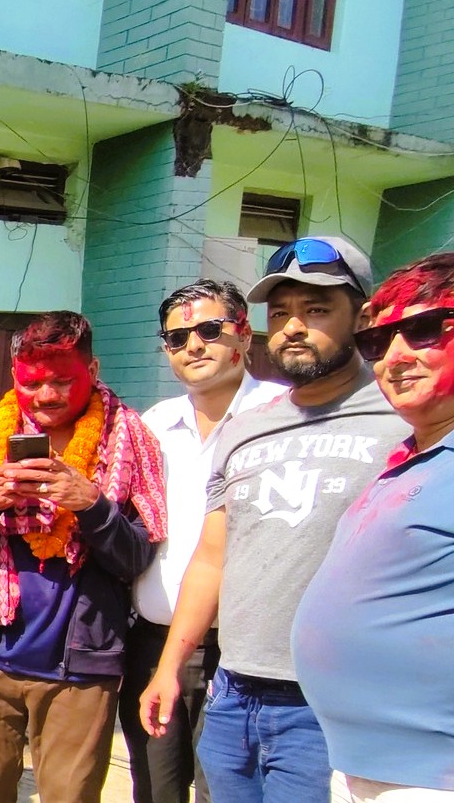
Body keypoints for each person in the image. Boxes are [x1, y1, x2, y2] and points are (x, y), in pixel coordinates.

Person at [137, 237, 404, 803]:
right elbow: (210, 559)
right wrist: (169, 667)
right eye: (280, 312)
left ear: (363, 315)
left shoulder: (401, 417)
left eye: (317, 309)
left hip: (333, 702)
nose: (294, 327)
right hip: (234, 693)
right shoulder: (250, 427)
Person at [0, 310, 167, 803]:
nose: (46, 396)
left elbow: (136, 560)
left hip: (81, 674)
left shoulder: (130, 440)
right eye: (32, 382)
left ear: (94, 370)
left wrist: (90, 504)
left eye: (63, 381)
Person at [295, 252, 454, 800]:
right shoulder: (413, 457)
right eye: (377, 343)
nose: (395, 357)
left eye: (424, 329)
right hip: (366, 768)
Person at [125, 282, 283, 803]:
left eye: (209, 330)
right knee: (155, 790)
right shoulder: (154, 427)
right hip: (155, 647)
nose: (194, 345)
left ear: (243, 333)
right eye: (177, 337)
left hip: (245, 656)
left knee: (230, 793)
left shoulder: (283, 419)